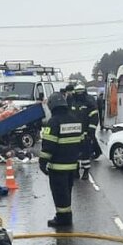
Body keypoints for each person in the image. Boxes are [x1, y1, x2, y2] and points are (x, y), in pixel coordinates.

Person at [39, 91, 84, 228]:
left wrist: (42, 163)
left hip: (57, 168)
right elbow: (81, 142)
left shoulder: (53, 122)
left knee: (59, 194)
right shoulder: (75, 119)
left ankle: (62, 220)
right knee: (67, 193)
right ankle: (66, 216)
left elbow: (48, 146)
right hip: (71, 166)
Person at [67, 83, 101, 179]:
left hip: (85, 133)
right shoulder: (72, 101)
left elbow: (94, 117)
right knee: (74, 153)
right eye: (77, 93)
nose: (79, 94)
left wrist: (91, 131)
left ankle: (86, 171)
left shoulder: (89, 102)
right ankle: (76, 171)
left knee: (85, 153)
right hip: (73, 133)